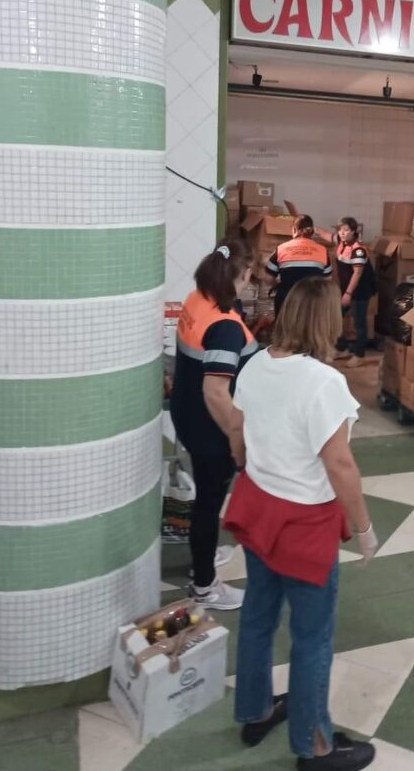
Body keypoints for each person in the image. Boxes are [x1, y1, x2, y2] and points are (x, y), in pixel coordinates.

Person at [224, 277, 378, 770]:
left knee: (258, 618)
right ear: (329, 321)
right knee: (313, 637)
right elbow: (340, 466)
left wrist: (257, 463)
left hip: (258, 507)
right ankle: (315, 747)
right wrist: (364, 528)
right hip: (304, 523)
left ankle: (255, 710)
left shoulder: (254, 365)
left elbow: (239, 433)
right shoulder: (324, 382)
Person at [169, 237, 258, 611]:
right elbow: (217, 393)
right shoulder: (224, 326)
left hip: (186, 413)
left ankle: (204, 553)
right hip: (211, 428)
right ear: (244, 274)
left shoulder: (198, 299)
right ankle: (204, 585)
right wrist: (237, 440)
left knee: (209, 500)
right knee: (209, 502)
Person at [265, 215, 333, 316]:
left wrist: (279, 285)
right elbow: (327, 279)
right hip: (312, 302)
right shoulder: (322, 251)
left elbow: (268, 277)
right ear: (311, 232)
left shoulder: (281, 249)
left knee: (285, 329)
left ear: (294, 229)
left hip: (287, 300)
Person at [334, 217, 376, 368]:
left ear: (353, 231)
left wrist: (348, 294)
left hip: (360, 291)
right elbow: (324, 234)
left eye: (346, 230)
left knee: (359, 323)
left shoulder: (358, 250)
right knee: (336, 316)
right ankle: (342, 348)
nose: (342, 233)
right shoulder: (341, 243)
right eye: (340, 230)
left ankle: (359, 355)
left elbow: (357, 274)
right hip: (347, 290)